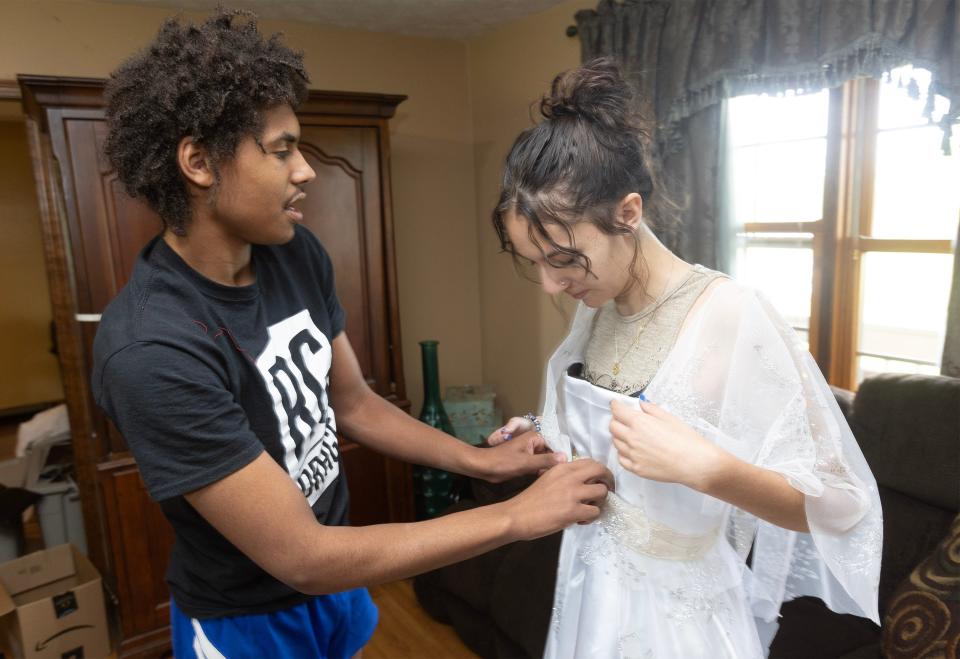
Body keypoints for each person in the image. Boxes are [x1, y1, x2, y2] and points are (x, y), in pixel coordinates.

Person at [91, 11, 613, 659]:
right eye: (281, 149)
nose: (305, 170)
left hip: (339, 581)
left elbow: (356, 402)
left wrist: (481, 459)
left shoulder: (293, 252)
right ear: (198, 162)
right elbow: (302, 557)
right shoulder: (152, 350)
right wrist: (515, 515)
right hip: (252, 617)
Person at [488, 59, 882, 658]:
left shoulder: (734, 313)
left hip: (679, 619)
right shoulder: (598, 303)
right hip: (589, 585)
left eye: (563, 259)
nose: (549, 286)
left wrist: (709, 469)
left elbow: (840, 505)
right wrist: (552, 433)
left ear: (628, 212)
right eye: (532, 262)